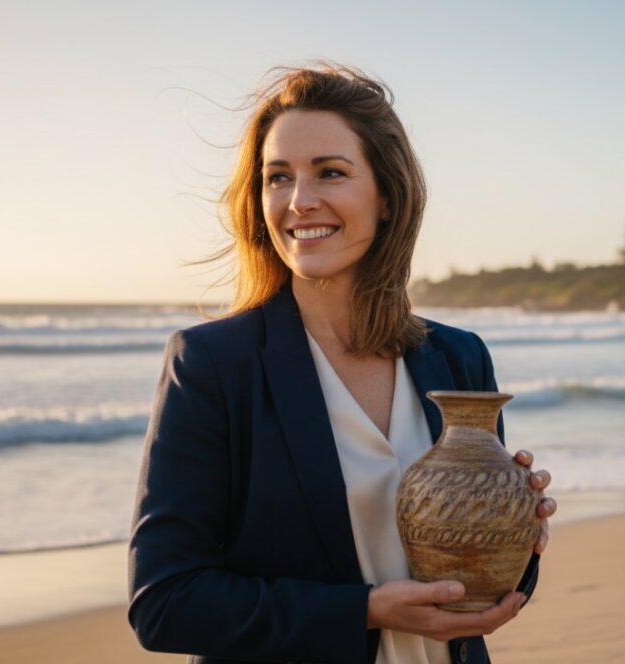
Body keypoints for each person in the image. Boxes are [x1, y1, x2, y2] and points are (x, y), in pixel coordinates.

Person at [128, 64, 556, 664]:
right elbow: (165, 603)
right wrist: (367, 610)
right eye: (278, 177)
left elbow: (485, 588)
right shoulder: (213, 365)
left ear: (387, 198)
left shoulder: (459, 358)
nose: (300, 201)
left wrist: (519, 538)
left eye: (330, 172)